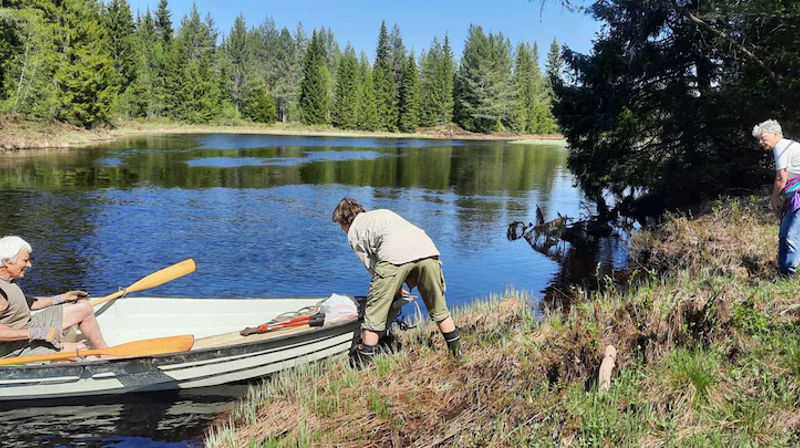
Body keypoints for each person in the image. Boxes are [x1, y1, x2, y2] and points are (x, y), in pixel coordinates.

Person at [332, 198, 463, 369]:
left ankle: (363, 365)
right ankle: (457, 355)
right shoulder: (381, 213)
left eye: (340, 225)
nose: (341, 229)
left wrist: (392, 289)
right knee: (439, 308)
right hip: (428, 250)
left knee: (374, 314)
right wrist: (398, 287)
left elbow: (374, 268)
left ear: (344, 221)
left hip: (394, 257)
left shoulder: (353, 232)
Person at [0, 235, 109, 359]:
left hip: (27, 326)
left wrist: (62, 298)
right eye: (25, 261)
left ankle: (105, 352)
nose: (29, 265)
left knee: (84, 308)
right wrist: (37, 332)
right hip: (13, 349)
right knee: (79, 350)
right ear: (7, 262)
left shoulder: (9, 280)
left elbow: (24, 302)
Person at [753, 119, 800, 275]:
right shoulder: (789, 145)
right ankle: (782, 270)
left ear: (775, 134)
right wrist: (785, 199)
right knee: (784, 233)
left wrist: (774, 199)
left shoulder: (781, 146)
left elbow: (781, 178)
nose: (761, 142)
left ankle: (790, 274)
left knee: (791, 235)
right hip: (793, 195)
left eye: (763, 137)